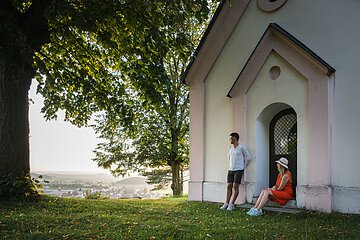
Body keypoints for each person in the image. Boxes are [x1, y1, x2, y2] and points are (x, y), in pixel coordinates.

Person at [220, 132, 252, 211]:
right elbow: (229, 158)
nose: (230, 139)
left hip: (239, 170)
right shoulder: (230, 148)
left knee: (235, 187)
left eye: (231, 138)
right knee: (229, 186)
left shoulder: (242, 147)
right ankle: (226, 203)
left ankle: (231, 204)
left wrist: (243, 166)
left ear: (235, 138)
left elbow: (248, 157)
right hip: (230, 170)